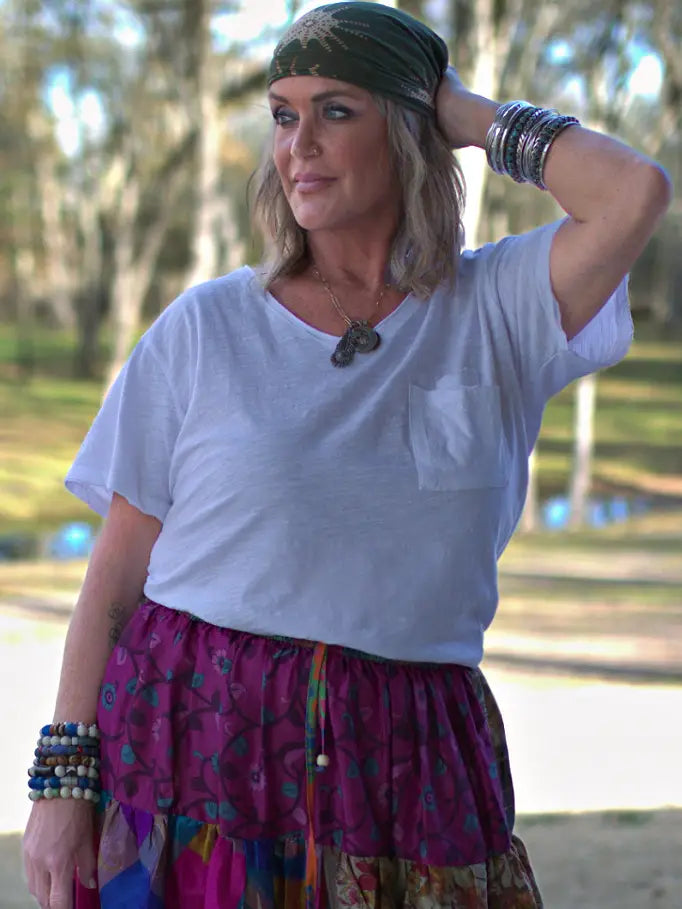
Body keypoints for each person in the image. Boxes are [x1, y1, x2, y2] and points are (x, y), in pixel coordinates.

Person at [23, 3, 670, 908]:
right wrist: (62, 786)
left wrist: (460, 111)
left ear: (408, 134)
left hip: (412, 762)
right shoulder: (207, 328)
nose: (299, 146)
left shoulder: (500, 308)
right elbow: (115, 578)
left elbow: (634, 192)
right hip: (195, 751)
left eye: (336, 111)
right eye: (284, 116)